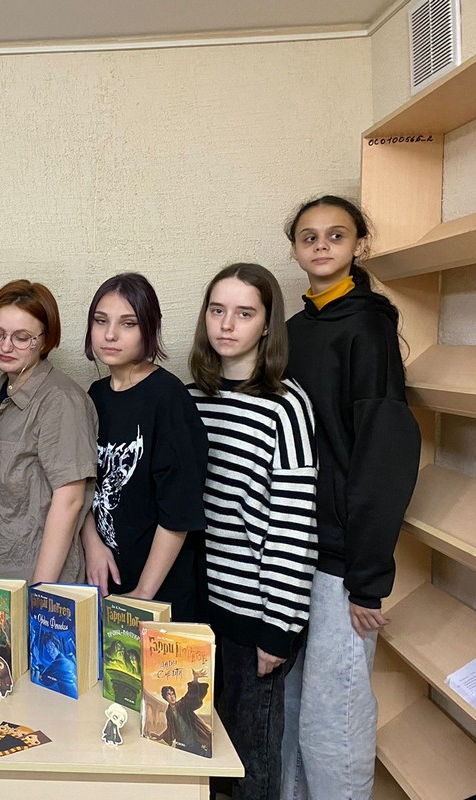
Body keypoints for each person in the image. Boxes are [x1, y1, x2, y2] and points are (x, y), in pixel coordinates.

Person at [280, 196, 420, 800]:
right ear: (294, 249)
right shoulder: (291, 331)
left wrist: (366, 578)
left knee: (333, 718)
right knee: (290, 712)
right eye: (308, 236)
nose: (321, 245)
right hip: (291, 546)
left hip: (341, 560)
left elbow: (383, 456)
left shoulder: (369, 328)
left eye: (336, 235)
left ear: (360, 245)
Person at [187, 263, 318, 800]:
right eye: (217, 310)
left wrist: (278, 627)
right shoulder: (192, 398)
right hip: (198, 610)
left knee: (249, 767)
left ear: (267, 325)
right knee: (195, 757)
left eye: (244, 313)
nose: (227, 324)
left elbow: (293, 524)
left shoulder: (286, 405)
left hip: (255, 617)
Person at [80, 273, 208, 621]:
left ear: (149, 328)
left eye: (128, 323)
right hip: (104, 580)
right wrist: (93, 545)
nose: (110, 334)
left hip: (159, 593)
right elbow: (81, 485)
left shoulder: (168, 398)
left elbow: (179, 510)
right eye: (101, 321)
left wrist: (143, 594)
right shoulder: (94, 396)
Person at [0, 280, 97, 584]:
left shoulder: (61, 400)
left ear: (45, 340)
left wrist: (40, 592)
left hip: (32, 577)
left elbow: (70, 500)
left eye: (22, 338)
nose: (5, 346)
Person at [159, 669, 213, 756]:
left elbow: (190, 696)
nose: (172, 696)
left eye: (173, 693)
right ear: (165, 697)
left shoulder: (182, 704)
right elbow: (170, 729)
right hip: (183, 744)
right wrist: (160, 736)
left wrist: (195, 679)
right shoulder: (168, 712)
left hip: (197, 739)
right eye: (169, 694)